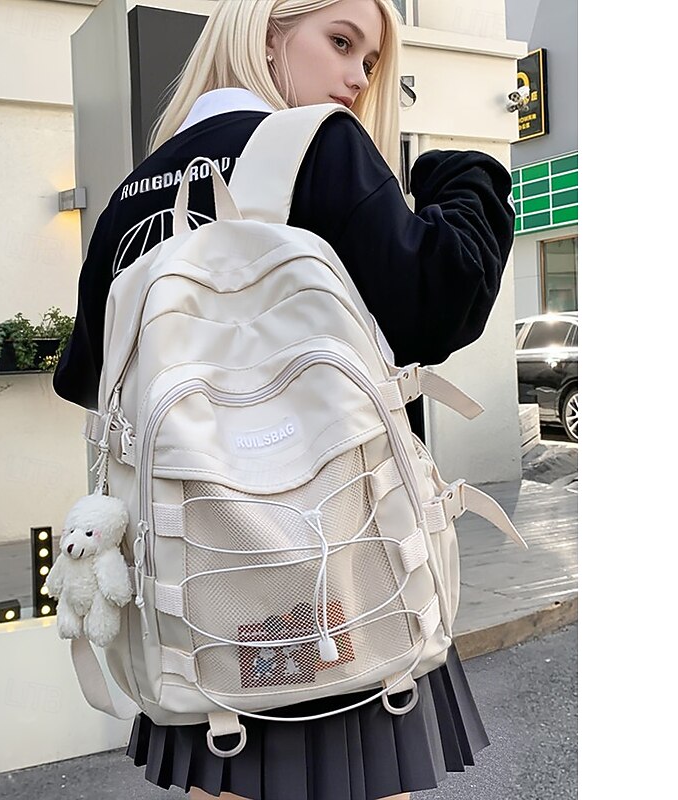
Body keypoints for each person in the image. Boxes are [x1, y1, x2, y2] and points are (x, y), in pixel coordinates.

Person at [53, 1, 515, 798]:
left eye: (368, 60)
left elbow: (85, 377)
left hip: (195, 593)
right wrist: (463, 178)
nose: (355, 77)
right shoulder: (320, 147)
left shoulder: (135, 190)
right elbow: (440, 301)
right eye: (341, 42)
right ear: (267, 32)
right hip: (337, 571)